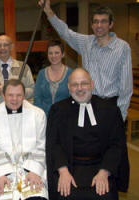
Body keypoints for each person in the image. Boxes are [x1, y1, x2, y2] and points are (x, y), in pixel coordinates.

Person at [39, 0, 133, 120]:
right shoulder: (86, 43)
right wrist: (48, 11)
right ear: (92, 25)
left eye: (103, 21)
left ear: (111, 24)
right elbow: (65, 32)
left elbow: (126, 88)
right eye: (96, 22)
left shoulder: (122, 48)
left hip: (110, 106)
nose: (99, 25)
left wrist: (121, 115)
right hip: (87, 103)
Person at [46, 68, 129, 200]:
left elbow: (116, 145)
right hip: (69, 166)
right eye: (74, 84)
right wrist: (63, 171)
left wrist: (104, 171)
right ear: (69, 87)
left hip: (100, 165)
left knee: (105, 195)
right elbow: (54, 144)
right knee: (64, 194)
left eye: (84, 83)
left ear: (92, 84)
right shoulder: (58, 110)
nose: (79, 88)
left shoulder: (110, 110)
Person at [0, 79, 48, 200]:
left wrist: (34, 170)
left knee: (37, 196)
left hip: (30, 172)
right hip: (4, 173)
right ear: (3, 95)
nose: (15, 99)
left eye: (19, 95)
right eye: (10, 95)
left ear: (24, 96)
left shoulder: (38, 115)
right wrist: (0, 174)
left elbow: (41, 145)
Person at [0, 35, 35, 111]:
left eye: (5, 45)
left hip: (19, 112)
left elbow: (32, 90)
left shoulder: (24, 67)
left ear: (11, 47)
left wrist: (20, 91)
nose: (2, 48)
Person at [34, 40, 72, 115]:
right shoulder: (41, 74)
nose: (53, 56)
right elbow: (37, 98)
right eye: (50, 53)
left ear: (63, 54)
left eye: (57, 53)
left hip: (65, 116)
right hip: (44, 117)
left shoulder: (71, 74)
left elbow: (73, 98)